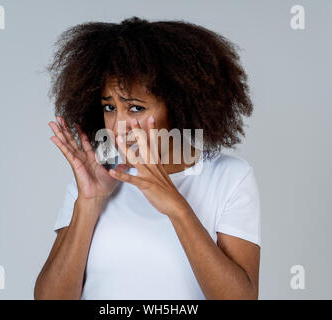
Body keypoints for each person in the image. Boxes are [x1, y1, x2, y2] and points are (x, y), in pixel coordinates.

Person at [34, 16, 261, 300]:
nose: (118, 125)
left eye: (136, 108)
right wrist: (89, 202)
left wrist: (177, 207)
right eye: (109, 107)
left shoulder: (229, 178)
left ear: (179, 108)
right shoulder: (94, 181)